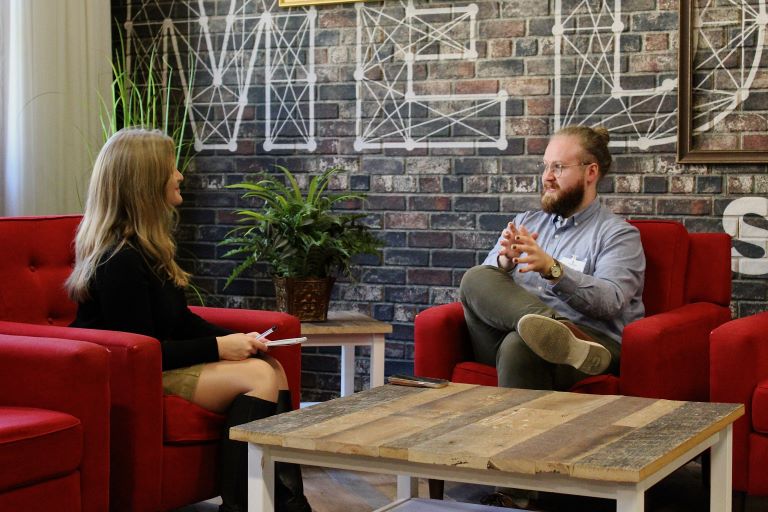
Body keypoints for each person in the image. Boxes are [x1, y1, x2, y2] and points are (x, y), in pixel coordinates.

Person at [66, 127, 312, 512]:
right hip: (129, 377)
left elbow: (179, 322)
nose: (180, 175)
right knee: (259, 376)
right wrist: (219, 347)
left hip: (155, 364)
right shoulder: (119, 260)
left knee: (270, 365)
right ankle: (246, 507)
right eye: (172, 168)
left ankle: (283, 504)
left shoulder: (148, 248)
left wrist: (241, 338)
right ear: (146, 182)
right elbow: (143, 352)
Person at [460, 126, 645, 508]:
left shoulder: (617, 235)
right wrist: (504, 262)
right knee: (476, 277)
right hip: (513, 331)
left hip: (591, 343)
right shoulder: (528, 222)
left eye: (558, 167)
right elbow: (484, 289)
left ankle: (517, 492)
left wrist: (553, 270)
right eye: (546, 166)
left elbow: (610, 301)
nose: (546, 176)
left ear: (590, 172)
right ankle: (550, 329)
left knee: (519, 346)